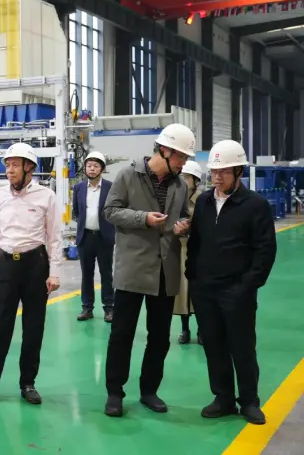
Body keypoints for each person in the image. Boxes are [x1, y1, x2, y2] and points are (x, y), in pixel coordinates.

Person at [102, 123, 197, 418]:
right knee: (122, 334)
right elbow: (110, 211)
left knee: (159, 336)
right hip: (132, 269)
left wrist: (183, 226)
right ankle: (115, 392)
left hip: (165, 272)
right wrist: (143, 218)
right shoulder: (128, 175)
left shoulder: (180, 185)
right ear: (164, 150)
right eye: (181, 156)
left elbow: (184, 216)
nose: (184, 163)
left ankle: (149, 390)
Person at [0, 143, 62, 405]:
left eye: (15, 165)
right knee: (0, 327)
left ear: (30, 168)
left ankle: (27, 383)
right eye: (7, 165)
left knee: (33, 327)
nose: (9, 170)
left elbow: (54, 237)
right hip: (7, 265)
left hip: (35, 266)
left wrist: (54, 273)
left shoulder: (46, 196)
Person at [186, 140, 277, 425]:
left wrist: (247, 286)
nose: (216, 177)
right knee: (214, 346)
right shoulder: (203, 202)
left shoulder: (255, 205)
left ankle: (249, 401)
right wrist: (193, 277)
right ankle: (223, 398)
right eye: (214, 171)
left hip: (237, 291)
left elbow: (265, 250)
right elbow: (196, 242)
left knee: (242, 347)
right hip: (205, 290)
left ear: (239, 171)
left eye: (223, 172)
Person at [72, 151, 115, 322]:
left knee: (106, 274)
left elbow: (115, 210)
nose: (91, 169)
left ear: (102, 169)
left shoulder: (110, 187)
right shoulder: (79, 188)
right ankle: (87, 308)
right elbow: (76, 211)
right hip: (86, 237)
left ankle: (109, 308)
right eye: (89, 165)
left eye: (95, 166)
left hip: (104, 237)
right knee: (86, 274)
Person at [173, 160, 203, 345]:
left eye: (186, 177)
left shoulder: (204, 201)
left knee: (198, 292)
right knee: (182, 293)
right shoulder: (174, 199)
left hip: (198, 251)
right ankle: (185, 329)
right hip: (179, 250)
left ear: (196, 180)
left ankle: (202, 329)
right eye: (180, 177)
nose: (182, 181)